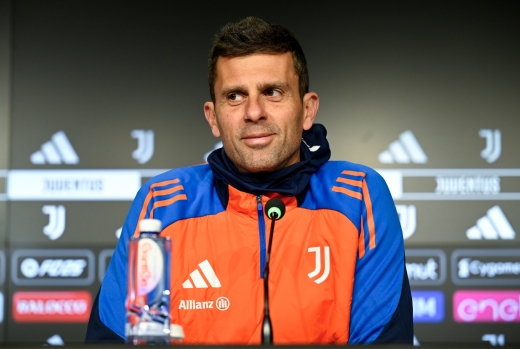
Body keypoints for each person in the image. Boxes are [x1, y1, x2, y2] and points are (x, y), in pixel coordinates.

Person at [86, 16, 412, 344]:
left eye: (272, 92)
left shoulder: (358, 195)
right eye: (235, 96)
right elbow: (118, 340)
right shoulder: (161, 202)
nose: (253, 112)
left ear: (307, 110)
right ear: (213, 117)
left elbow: (382, 341)